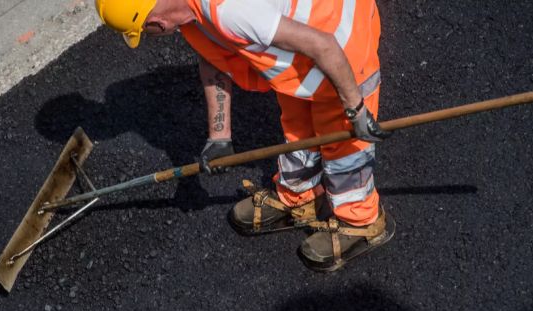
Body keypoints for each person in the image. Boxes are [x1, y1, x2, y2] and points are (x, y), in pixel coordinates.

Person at [95, 0, 394, 271]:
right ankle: (300, 195)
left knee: (343, 142)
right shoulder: (194, 12)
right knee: (298, 125)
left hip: (339, 36)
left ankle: (362, 221)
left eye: (146, 33)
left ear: (155, 24)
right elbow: (214, 56)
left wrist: (356, 109)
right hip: (302, 46)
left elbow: (325, 45)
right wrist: (219, 136)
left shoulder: (232, 11)